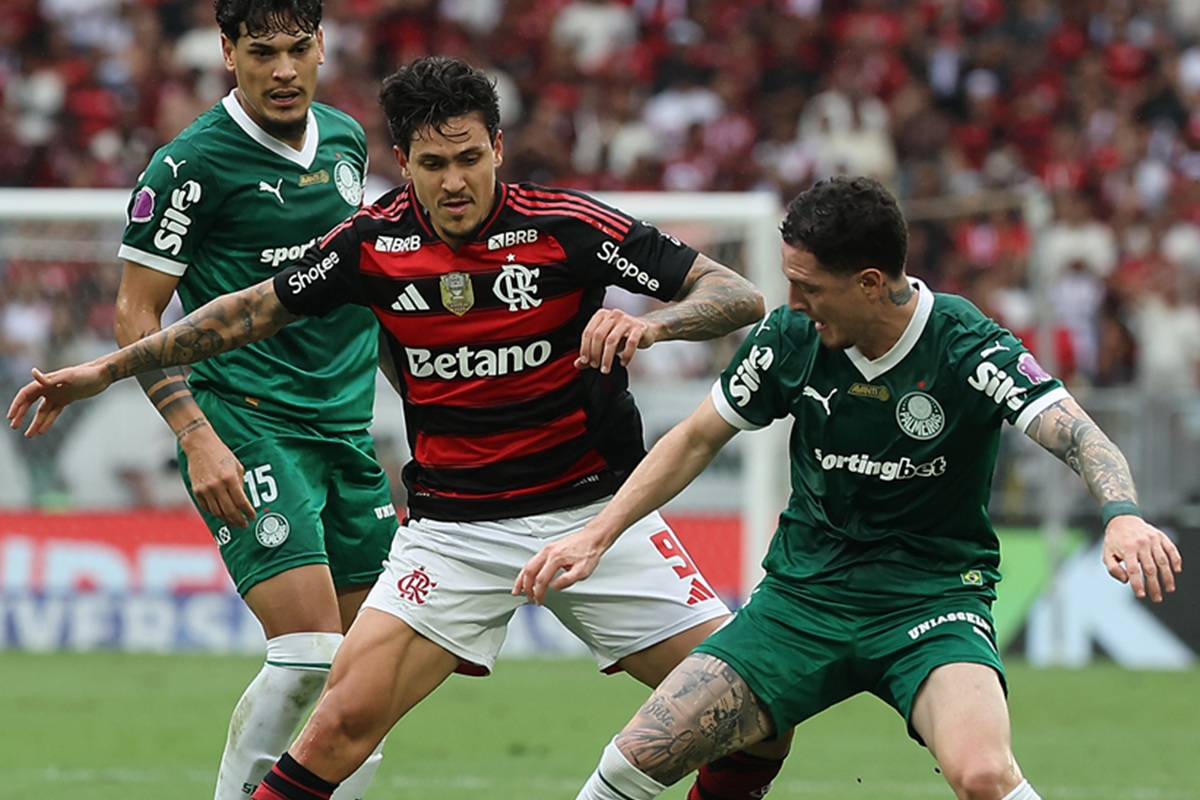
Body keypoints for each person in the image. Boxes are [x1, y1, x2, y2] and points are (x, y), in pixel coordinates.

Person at [10, 56, 793, 800]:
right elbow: (246, 311)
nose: (453, 182)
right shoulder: (374, 243)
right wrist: (105, 370)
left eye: (467, 158)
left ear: (496, 146)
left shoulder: (568, 225)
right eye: (431, 164)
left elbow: (734, 293)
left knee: (754, 714)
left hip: (595, 516)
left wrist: (657, 327)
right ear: (402, 159)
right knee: (336, 724)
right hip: (453, 530)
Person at [515, 175, 1185, 800]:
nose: (792, 304)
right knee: (638, 754)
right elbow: (695, 438)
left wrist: (1122, 514)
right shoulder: (791, 339)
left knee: (984, 774)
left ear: (869, 283)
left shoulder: (966, 346)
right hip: (803, 600)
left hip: (930, 602)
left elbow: (1080, 435)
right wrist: (597, 534)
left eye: (808, 288)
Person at [111, 2, 397, 798]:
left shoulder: (344, 138)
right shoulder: (189, 165)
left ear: (321, 48)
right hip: (248, 420)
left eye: (298, 49)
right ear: (227, 51)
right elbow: (136, 313)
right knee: (312, 651)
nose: (282, 69)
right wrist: (197, 436)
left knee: (369, 677)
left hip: (346, 429)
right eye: (261, 51)